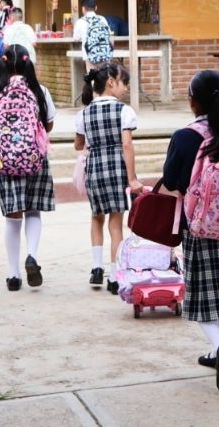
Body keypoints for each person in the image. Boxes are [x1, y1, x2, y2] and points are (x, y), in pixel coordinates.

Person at [161, 70, 219, 395]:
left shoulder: (186, 136)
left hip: (198, 228)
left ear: (193, 101)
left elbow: (172, 180)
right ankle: (217, 353)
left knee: (201, 299)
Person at [0, 44, 56, 291]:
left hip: (3, 161)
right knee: (33, 210)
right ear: (28, 64)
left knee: (12, 217)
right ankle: (31, 255)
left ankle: (13, 275)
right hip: (34, 159)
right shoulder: (40, 90)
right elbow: (49, 124)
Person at [73, 62, 142, 295]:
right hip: (115, 170)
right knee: (115, 224)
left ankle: (95, 267)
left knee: (96, 217)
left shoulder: (83, 113)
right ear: (111, 82)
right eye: (125, 83)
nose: (126, 89)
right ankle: (114, 276)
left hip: (94, 170)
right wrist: (132, 179)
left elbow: (78, 144)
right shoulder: (124, 111)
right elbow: (127, 145)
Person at [72, 0, 113, 70]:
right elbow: (109, 35)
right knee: (105, 78)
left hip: (90, 56)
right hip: (104, 55)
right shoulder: (102, 19)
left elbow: (76, 38)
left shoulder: (80, 22)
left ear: (83, 9)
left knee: (93, 79)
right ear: (96, 7)